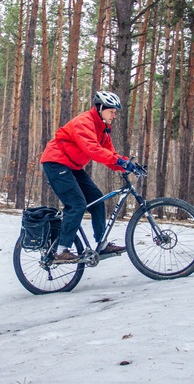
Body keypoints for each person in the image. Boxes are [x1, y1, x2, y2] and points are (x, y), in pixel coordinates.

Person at [40, 91, 135, 264]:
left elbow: (110, 155)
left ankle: (102, 243)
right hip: (56, 163)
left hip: (72, 166)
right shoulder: (84, 122)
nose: (114, 115)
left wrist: (127, 164)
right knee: (77, 204)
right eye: (111, 111)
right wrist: (119, 161)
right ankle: (61, 251)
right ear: (100, 108)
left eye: (115, 112)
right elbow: (93, 150)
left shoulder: (103, 130)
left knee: (97, 200)